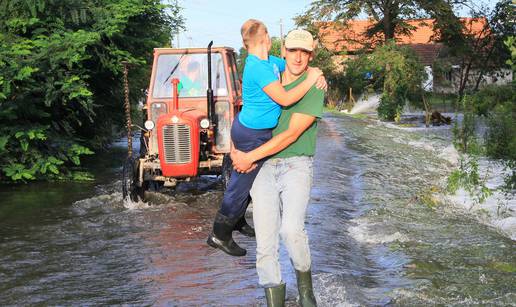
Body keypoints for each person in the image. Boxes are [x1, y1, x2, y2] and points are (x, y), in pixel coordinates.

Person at [207, 19, 324, 257]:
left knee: (250, 181)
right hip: (251, 133)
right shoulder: (256, 68)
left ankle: (238, 221)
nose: (296, 56)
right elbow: (285, 99)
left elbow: (293, 66)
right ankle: (220, 233)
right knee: (242, 182)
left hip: (250, 128)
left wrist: (317, 72)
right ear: (267, 39)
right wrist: (312, 80)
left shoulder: (269, 62)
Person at [231, 29, 323, 306]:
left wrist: (248, 157)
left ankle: (306, 294)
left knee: (291, 230)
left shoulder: (314, 85)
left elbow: (290, 135)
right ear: (282, 51)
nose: (298, 56)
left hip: (296, 164)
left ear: (310, 55)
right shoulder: (267, 75)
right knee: (266, 243)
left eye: (305, 52)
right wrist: (235, 146)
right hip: (263, 166)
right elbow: (246, 114)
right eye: (293, 50)